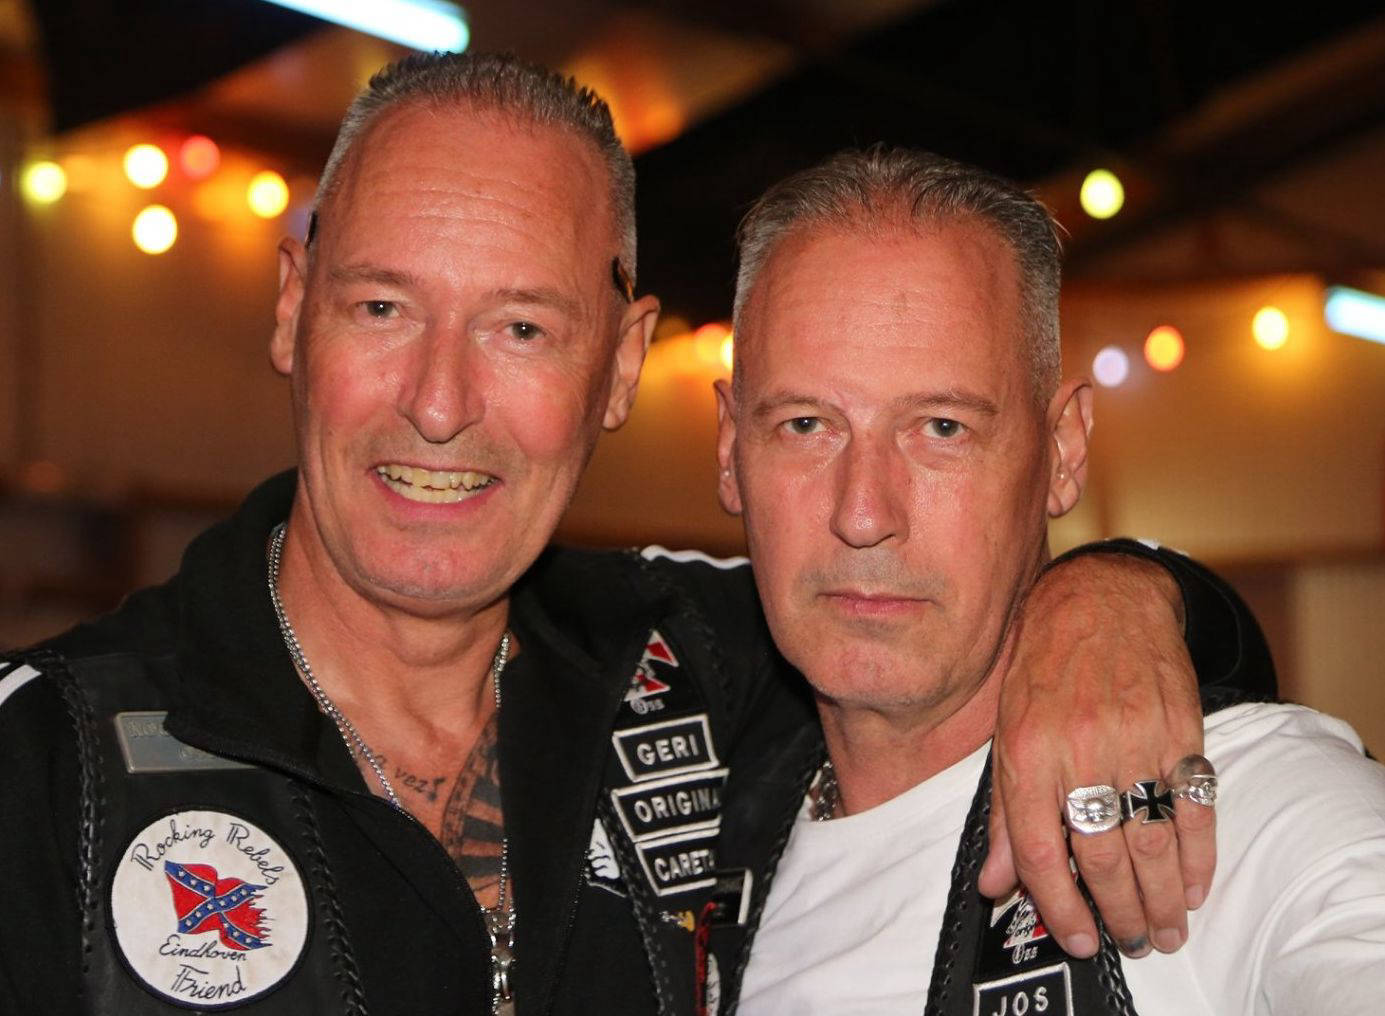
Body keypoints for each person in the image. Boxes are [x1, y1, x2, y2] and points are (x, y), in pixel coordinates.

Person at [0, 54, 1268, 1015]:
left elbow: (950, 603)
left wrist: (1115, 594)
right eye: (382, 306)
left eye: (521, 328)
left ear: (618, 366)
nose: (437, 403)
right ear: (293, 311)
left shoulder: (704, 659)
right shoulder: (48, 761)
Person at [707, 145, 1385, 1014]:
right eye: (805, 424)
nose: (863, 513)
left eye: (941, 428)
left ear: (1061, 452)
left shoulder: (1236, 810)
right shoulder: (694, 827)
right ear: (730, 448)